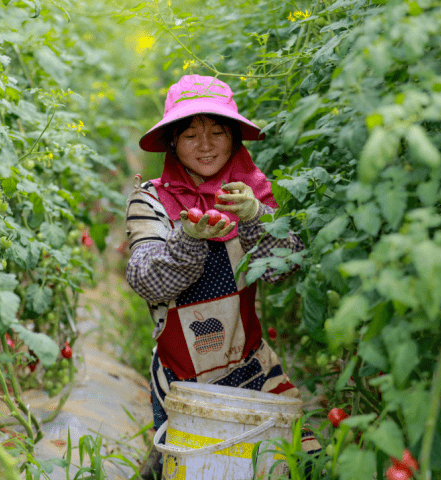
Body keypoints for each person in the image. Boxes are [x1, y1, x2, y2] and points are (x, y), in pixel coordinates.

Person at [125, 74, 317, 478]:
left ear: (234, 139)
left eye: (217, 132)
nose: (206, 144)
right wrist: (189, 238)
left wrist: (253, 218)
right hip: (182, 380)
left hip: (251, 366)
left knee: (304, 462)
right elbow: (145, 278)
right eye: (191, 134)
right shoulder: (151, 201)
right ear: (173, 142)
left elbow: (288, 266)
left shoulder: (251, 195)